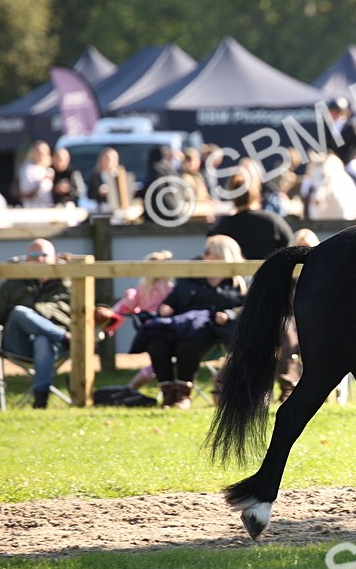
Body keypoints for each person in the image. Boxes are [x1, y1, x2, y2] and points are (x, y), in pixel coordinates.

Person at [140, 235, 246, 409]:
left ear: (222, 254)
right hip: (182, 322)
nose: (203, 255)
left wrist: (229, 314)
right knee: (156, 341)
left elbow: (248, 308)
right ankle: (168, 394)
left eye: (208, 251)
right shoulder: (192, 271)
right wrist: (166, 306)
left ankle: (183, 395)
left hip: (214, 328)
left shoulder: (239, 281)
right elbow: (174, 297)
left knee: (188, 344)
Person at [0, 239, 71, 409]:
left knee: (42, 339)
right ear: (27, 259)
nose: (39, 260)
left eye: (44, 255)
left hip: (55, 347)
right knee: (19, 312)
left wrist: (101, 312)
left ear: (54, 258)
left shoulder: (69, 282)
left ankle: (40, 399)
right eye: (34, 255)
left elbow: (88, 307)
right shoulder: (13, 283)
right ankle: (65, 337)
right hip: (19, 343)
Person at [108, 250, 174, 391]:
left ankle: (132, 386)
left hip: (146, 329)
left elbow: (127, 306)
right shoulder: (170, 289)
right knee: (162, 358)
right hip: (165, 328)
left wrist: (112, 323)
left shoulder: (141, 288)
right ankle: (134, 386)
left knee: (157, 359)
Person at [208, 167, 294, 259]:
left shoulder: (222, 225)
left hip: (235, 272)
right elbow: (291, 245)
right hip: (268, 272)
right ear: (256, 193)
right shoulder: (273, 221)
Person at [275, 228, 320, 402]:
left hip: (318, 316)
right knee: (287, 332)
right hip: (289, 315)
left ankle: (314, 387)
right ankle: (289, 385)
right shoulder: (286, 274)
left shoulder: (324, 273)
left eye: (307, 248)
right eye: (299, 248)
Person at [17, 141, 54, 208]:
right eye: (39, 152)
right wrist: (41, 181)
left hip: (47, 208)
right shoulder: (28, 168)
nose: (41, 155)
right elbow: (25, 193)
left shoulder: (49, 168)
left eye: (44, 153)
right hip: (32, 209)